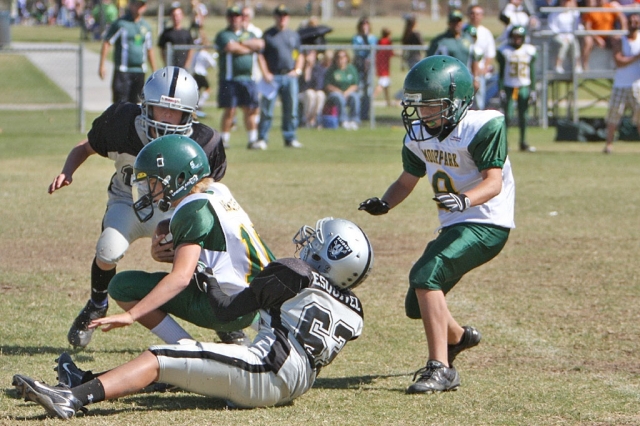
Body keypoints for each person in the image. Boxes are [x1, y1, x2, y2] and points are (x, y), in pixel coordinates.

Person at [12, 209, 373, 417]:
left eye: (316, 243)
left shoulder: (295, 272)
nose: (307, 243)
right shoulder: (353, 309)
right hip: (294, 381)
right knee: (184, 364)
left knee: (163, 355)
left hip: (266, 368)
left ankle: (72, 398)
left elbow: (226, 308)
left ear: (330, 258)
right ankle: (83, 379)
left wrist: (207, 274)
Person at [48, 67, 238, 349]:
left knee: (201, 261)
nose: (167, 117)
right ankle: (97, 303)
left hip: (175, 209)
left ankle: (223, 318)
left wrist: (180, 229)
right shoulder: (122, 123)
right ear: (145, 105)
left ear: (190, 114)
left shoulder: (204, 141)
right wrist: (68, 170)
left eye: (175, 112)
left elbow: (209, 188)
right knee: (108, 249)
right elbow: (85, 147)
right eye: (161, 108)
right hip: (129, 201)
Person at [359, 55, 515, 394]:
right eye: (419, 106)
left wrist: (464, 200)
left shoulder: (481, 126)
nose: (424, 114)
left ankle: (441, 368)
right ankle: (458, 338)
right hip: (456, 223)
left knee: (424, 276)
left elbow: (493, 182)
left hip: (486, 221)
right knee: (417, 304)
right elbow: (406, 179)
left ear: (457, 103)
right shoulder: (419, 135)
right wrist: (385, 202)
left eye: (432, 106)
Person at [96, 134, 275, 347]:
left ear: (178, 179)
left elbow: (181, 278)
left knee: (121, 286)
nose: (149, 192)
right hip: (261, 297)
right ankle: (264, 324)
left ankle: (187, 349)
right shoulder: (217, 191)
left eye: (153, 182)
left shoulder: (192, 210)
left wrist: (132, 315)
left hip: (230, 308)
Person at [255, 4, 304, 150]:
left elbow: (299, 54)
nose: (282, 18)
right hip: (273, 77)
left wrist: (298, 70)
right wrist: (265, 73)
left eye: (284, 15)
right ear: (275, 17)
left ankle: (290, 137)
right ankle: (262, 138)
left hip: (289, 76)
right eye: (279, 15)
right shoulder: (268, 35)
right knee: (267, 110)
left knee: (291, 110)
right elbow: (261, 56)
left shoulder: (293, 35)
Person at [215, 6, 264, 149]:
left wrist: (241, 44)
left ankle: (252, 139)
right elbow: (230, 47)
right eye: (232, 16)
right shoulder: (224, 34)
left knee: (250, 109)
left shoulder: (249, 33)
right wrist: (248, 48)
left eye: (237, 16)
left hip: (248, 78)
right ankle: (224, 139)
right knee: (230, 109)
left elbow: (259, 44)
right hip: (230, 79)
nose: (235, 19)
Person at [99, 0, 157, 104]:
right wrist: (102, 65)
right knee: (120, 104)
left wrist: (155, 71)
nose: (139, 7)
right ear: (131, 5)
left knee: (137, 105)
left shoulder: (146, 27)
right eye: (137, 4)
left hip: (139, 72)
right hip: (123, 72)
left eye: (142, 5)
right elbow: (107, 43)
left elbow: (149, 49)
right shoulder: (121, 24)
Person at [497, 25, 538, 152]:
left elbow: (532, 71)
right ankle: (505, 142)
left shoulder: (529, 50)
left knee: (524, 115)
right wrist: (501, 88)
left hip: (524, 85)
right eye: (515, 37)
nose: (517, 40)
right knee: (507, 115)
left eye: (519, 37)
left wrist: (533, 88)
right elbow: (501, 71)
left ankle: (523, 141)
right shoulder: (504, 50)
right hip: (510, 86)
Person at [603, 13, 640, 153]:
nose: (633, 24)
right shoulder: (620, 41)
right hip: (621, 84)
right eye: (631, 22)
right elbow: (619, 61)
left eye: (636, 22)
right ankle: (609, 145)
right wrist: (636, 57)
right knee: (614, 116)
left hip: (637, 85)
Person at [465, 4, 497, 110]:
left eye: (478, 14)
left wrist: (484, 68)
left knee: (479, 101)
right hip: (464, 70)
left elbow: (490, 52)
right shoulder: (463, 30)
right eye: (472, 14)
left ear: (482, 16)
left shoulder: (485, 33)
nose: (475, 16)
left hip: (479, 72)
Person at [581, 0, 627, 70]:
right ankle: (584, 65)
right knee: (587, 40)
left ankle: (617, 64)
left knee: (617, 40)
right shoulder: (591, 10)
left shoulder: (610, 8)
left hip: (608, 36)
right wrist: (596, 38)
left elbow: (622, 19)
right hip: (595, 37)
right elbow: (587, 27)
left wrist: (621, 32)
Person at [324, 49, 361, 130]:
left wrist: (347, 92)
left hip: (348, 92)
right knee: (339, 97)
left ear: (347, 58)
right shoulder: (332, 70)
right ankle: (343, 120)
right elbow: (327, 85)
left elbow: (355, 85)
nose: (341, 60)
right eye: (338, 58)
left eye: (343, 57)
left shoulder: (351, 69)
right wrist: (340, 92)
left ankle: (354, 121)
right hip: (335, 93)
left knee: (355, 97)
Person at [352, 16, 377, 120]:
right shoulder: (356, 38)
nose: (364, 26)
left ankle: (367, 114)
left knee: (369, 91)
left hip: (369, 66)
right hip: (359, 66)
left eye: (366, 24)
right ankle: (358, 114)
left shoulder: (373, 38)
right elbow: (357, 50)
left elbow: (373, 49)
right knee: (360, 89)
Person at [548, 0, 582, 73]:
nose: (566, 3)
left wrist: (569, 36)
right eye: (564, 1)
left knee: (574, 43)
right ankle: (558, 65)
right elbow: (553, 27)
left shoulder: (574, 13)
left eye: (568, 2)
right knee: (563, 44)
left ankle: (577, 65)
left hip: (570, 36)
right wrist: (563, 36)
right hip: (557, 36)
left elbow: (576, 26)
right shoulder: (555, 13)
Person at [157, 5, 194, 69]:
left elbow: (191, 50)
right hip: (170, 66)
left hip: (184, 67)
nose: (176, 18)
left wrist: (187, 65)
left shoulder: (187, 33)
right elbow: (162, 50)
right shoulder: (166, 33)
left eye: (178, 15)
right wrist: (166, 63)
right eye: (174, 15)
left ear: (182, 16)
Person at [299, 49, 328, 128]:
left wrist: (312, 67)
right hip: (302, 93)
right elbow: (303, 86)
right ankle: (306, 119)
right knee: (310, 94)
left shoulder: (318, 68)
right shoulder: (300, 67)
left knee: (320, 95)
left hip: (315, 92)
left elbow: (319, 85)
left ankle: (315, 118)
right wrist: (307, 69)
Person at [192, 41, 217, 116]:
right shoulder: (205, 54)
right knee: (208, 89)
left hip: (195, 73)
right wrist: (206, 67)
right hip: (201, 73)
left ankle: (195, 105)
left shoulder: (196, 54)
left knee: (197, 91)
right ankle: (200, 104)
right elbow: (213, 64)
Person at [374, 28, 394, 107]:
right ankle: (372, 97)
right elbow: (390, 53)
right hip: (384, 66)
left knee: (386, 84)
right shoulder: (388, 42)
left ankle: (388, 101)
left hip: (380, 64)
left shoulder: (379, 41)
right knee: (382, 84)